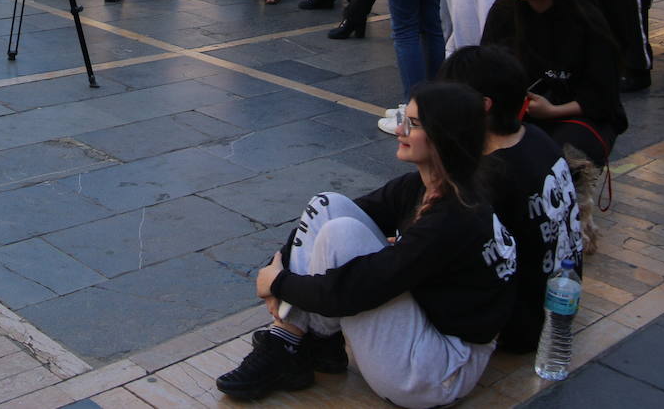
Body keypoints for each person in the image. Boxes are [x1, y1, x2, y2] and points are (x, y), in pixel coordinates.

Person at [215, 82, 516, 406]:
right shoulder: (432, 184)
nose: (400, 128)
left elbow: (350, 291)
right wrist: (278, 265)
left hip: (440, 371)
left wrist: (279, 282)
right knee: (328, 205)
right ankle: (300, 341)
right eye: (405, 117)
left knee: (341, 237)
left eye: (413, 124)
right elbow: (325, 217)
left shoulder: (453, 217)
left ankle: (292, 342)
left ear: (444, 138)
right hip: (429, 330)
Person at [437, 44, 584, 354]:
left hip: (517, 325)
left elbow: (448, 251)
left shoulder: (493, 172)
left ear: (482, 105)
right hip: (553, 307)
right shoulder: (536, 137)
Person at [482, 0, 629, 166]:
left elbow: (603, 96)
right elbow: (485, 69)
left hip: (577, 114)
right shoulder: (506, 11)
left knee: (557, 155)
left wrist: (552, 111)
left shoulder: (584, 16)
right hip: (517, 114)